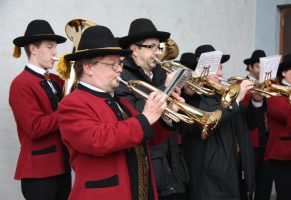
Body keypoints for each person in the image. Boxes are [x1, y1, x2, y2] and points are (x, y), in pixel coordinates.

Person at [57, 25, 179, 200]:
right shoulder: (71, 103)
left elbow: (145, 136)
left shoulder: (119, 101)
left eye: (120, 63)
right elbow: (98, 140)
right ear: (89, 68)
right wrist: (146, 118)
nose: (120, 69)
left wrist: (164, 117)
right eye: (112, 64)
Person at [117, 18, 189, 200]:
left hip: (173, 165)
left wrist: (174, 101)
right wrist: (165, 89)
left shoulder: (159, 73)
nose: (158, 52)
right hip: (149, 168)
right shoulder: (122, 77)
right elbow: (134, 115)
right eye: (152, 47)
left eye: (158, 47)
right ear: (134, 48)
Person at [180, 44, 262, 200]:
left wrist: (256, 102)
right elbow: (205, 124)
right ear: (201, 71)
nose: (220, 74)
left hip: (235, 173)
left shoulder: (223, 95)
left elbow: (249, 124)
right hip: (210, 180)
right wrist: (236, 102)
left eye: (221, 68)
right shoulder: (190, 98)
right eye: (215, 69)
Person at [9, 19, 71, 200]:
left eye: (55, 47)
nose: (55, 52)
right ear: (33, 48)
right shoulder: (20, 83)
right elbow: (34, 127)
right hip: (38, 173)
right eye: (50, 47)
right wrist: (66, 110)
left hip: (62, 165)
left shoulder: (54, 79)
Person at [265, 53, 291, 200]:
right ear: (284, 72)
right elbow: (284, 114)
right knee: (288, 195)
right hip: (285, 154)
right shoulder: (273, 90)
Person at [243, 50, 274, 200]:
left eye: (264, 66)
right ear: (249, 67)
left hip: (268, 142)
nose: (261, 69)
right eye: (257, 66)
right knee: (247, 184)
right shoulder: (240, 84)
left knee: (265, 184)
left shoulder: (272, 85)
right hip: (250, 142)